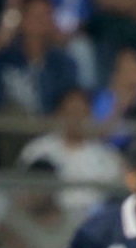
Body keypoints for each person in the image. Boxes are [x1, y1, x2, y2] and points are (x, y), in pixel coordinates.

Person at [17, 87, 122, 217]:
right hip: (45, 224)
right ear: (59, 114)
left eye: (82, 113)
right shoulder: (37, 150)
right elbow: (21, 194)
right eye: (71, 112)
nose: (76, 118)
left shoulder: (107, 156)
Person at [0, 0, 80, 114]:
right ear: (23, 19)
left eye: (45, 15)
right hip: (10, 130)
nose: (40, 22)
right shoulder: (1, 62)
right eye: (35, 16)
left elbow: (69, 105)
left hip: (51, 131)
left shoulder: (64, 65)